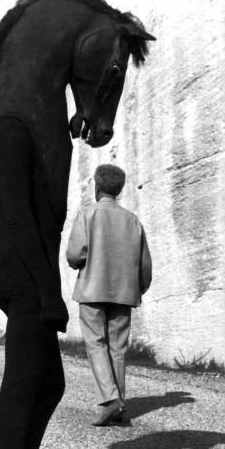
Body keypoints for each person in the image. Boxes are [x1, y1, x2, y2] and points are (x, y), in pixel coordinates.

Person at [66, 164, 152, 426]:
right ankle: (119, 406)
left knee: (96, 343)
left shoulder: (87, 214)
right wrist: (139, 287)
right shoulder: (132, 220)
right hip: (124, 292)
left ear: (98, 187)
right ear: (120, 189)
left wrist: (79, 264)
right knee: (118, 348)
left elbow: (75, 254)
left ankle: (110, 400)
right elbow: (145, 265)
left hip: (93, 288)